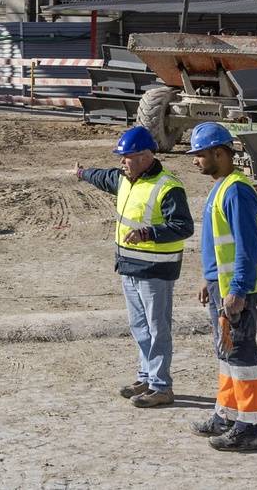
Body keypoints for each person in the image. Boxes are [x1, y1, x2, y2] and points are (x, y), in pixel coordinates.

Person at [74, 125, 194, 408]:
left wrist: (148, 233)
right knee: (139, 326)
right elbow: (103, 177)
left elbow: (183, 226)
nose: (121, 162)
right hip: (129, 266)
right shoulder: (125, 179)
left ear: (143, 156)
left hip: (156, 270)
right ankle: (146, 377)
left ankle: (161, 386)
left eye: (125, 157)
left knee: (157, 328)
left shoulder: (168, 186)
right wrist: (81, 173)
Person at [185, 121, 257, 452]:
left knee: (240, 353)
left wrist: (237, 290)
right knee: (226, 351)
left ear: (219, 153)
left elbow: (246, 247)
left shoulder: (236, 190)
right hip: (221, 285)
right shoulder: (222, 186)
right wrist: (209, 279)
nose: (195, 160)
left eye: (199, 154)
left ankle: (250, 427)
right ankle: (226, 414)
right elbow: (220, 244)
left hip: (236, 290)